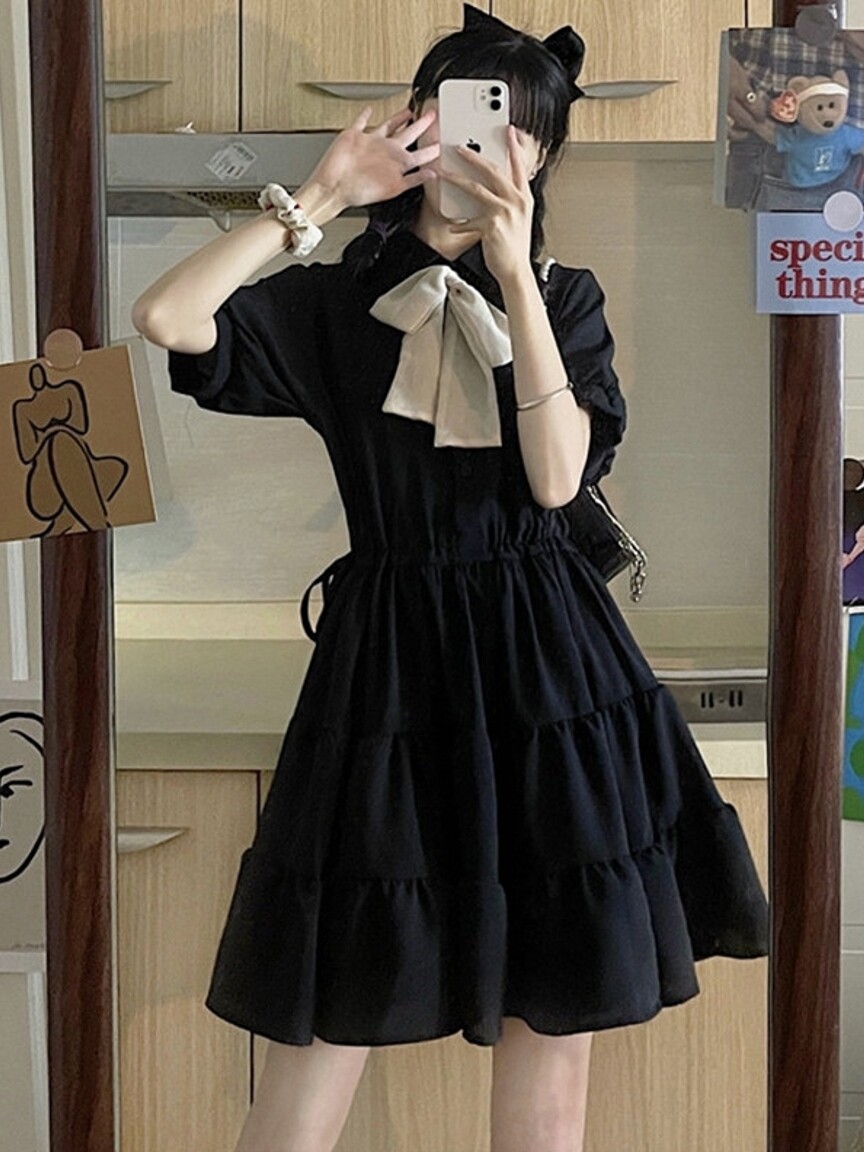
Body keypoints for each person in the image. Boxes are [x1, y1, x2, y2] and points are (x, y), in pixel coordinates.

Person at [132, 6, 770, 1151]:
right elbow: (168, 317)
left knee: (553, 1027)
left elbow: (557, 480)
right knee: (328, 1014)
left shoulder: (563, 301)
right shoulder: (338, 303)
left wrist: (516, 274)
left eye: (522, 131)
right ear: (419, 122)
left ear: (543, 157)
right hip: (388, 671)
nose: (490, 147)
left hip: (554, 674)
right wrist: (321, 196)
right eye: (469, 113)